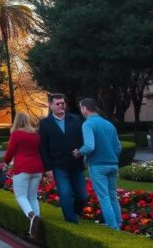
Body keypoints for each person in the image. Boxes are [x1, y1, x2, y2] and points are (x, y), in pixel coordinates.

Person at [38, 93, 88, 225]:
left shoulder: (76, 120)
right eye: (58, 103)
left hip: (76, 164)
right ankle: (71, 221)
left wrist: (82, 151)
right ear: (50, 105)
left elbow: (84, 139)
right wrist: (47, 168)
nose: (61, 105)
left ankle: (76, 212)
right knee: (65, 194)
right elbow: (43, 147)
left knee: (82, 196)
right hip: (58, 165)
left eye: (63, 103)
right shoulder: (44, 123)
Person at [74, 98, 122, 230]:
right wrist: (112, 158)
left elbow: (89, 147)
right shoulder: (109, 124)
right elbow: (118, 147)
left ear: (84, 109)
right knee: (113, 196)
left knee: (104, 197)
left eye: (81, 108)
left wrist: (79, 152)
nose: (81, 111)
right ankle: (118, 224)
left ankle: (113, 227)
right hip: (113, 164)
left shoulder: (87, 124)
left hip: (98, 165)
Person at [4, 111, 45, 239]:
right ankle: (34, 231)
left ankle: (32, 216)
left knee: (20, 196)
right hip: (37, 168)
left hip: (22, 168)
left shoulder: (16, 134)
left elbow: (10, 151)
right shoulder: (36, 134)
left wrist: (5, 162)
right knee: (32, 197)